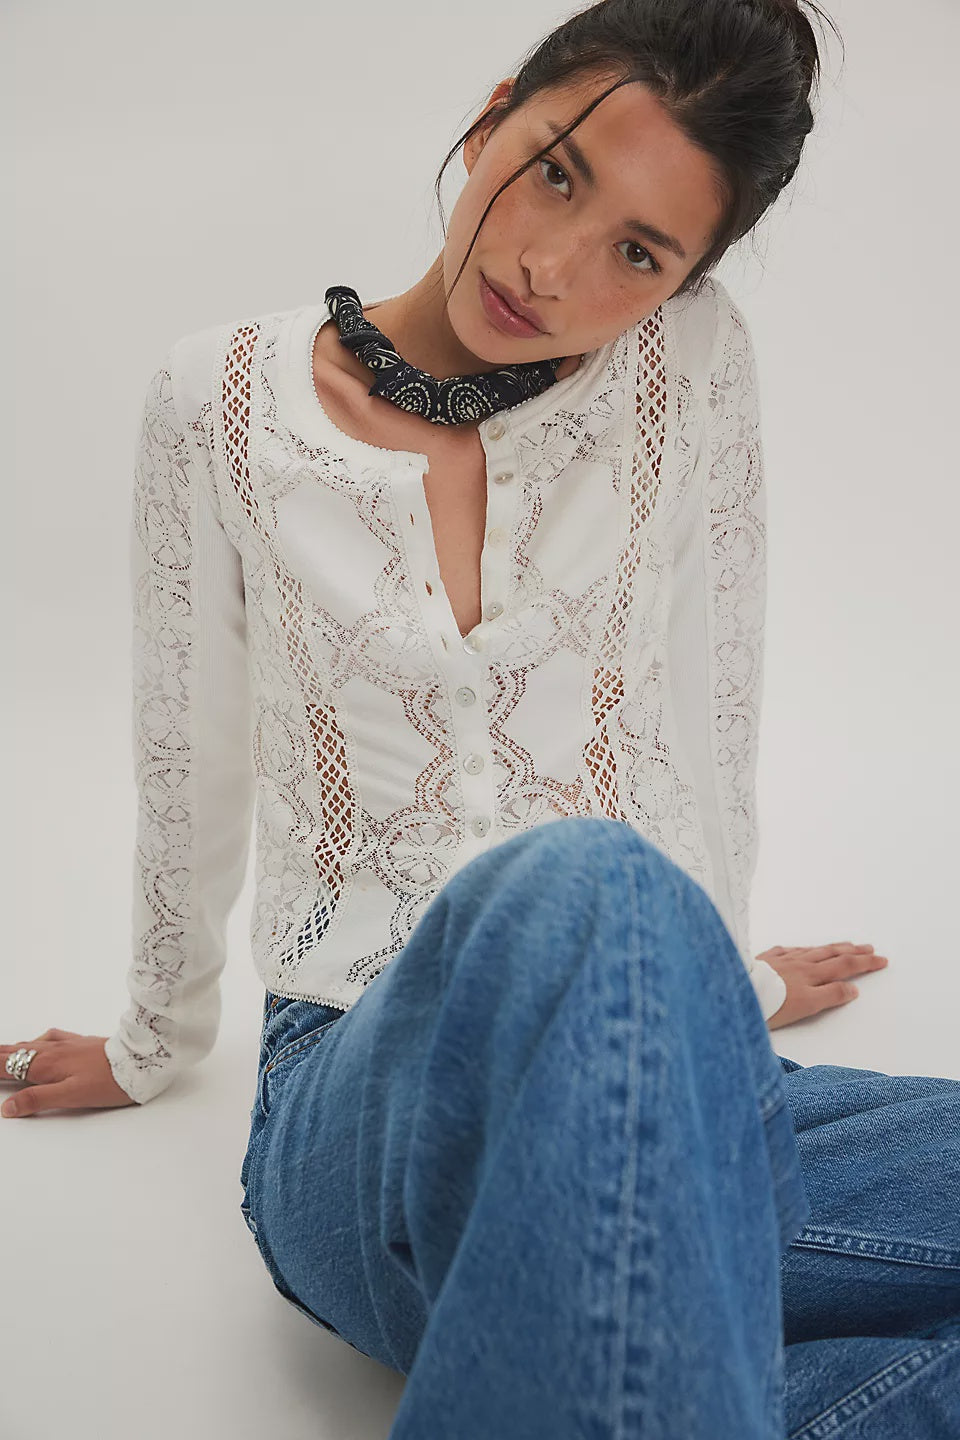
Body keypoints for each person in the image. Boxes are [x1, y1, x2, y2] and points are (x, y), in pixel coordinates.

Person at [3, 0, 958, 1434]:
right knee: (592, 881)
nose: (552, 264)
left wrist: (711, 995)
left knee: (621, 905)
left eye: (641, 253)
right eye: (559, 170)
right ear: (495, 110)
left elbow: (714, 712)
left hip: (663, 1089)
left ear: (685, 281)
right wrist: (152, 1040)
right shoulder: (222, 399)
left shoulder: (691, 367)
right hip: (362, 1109)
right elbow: (180, 751)